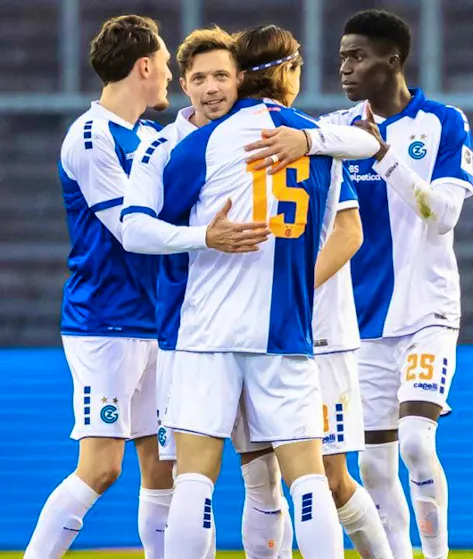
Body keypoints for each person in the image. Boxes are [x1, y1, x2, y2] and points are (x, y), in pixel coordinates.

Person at [246, 10, 473, 559]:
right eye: (342, 56)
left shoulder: (444, 121)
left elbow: (442, 214)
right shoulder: (332, 129)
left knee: (417, 442)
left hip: (428, 313)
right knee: (373, 462)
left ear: (391, 61)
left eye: (357, 56)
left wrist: (384, 155)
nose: (344, 67)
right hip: (361, 321)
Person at [131, 24, 345, 559]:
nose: (210, 87)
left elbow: (143, 223)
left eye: (220, 75)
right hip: (284, 330)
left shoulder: (198, 146)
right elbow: (332, 229)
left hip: (205, 333)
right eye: (199, 77)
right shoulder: (325, 142)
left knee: (196, 480)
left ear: (242, 78)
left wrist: (205, 234)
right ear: (289, 71)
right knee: (307, 481)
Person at [25, 15, 175, 558]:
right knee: (102, 466)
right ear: (143, 66)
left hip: (155, 320)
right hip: (106, 322)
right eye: (164, 65)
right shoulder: (91, 137)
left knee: (163, 467)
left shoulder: (151, 136)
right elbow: (130, 232)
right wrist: (207, 238)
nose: (169, 76)